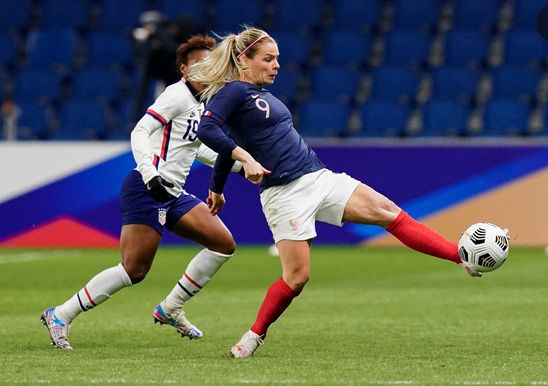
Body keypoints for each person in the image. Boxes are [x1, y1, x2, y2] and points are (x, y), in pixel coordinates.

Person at [188, 26, 482, 359]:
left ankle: (462, 257)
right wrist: (243, 160)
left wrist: (217, 188)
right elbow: (208, 130)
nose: (276, 65)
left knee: (389, 212)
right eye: (269, 59)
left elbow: (228, 145)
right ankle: (254, 336)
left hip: (318, 177)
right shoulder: (233, 92)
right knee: (297, 277)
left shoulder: (260, 94)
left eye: (278, 59)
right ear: (244, 59)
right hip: (284, 194)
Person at [41, 35, 241, 350]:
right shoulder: (176, 95)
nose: (206, 67)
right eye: (198, 62)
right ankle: (60, 314)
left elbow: (199, 148)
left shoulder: (202, 105)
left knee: (223, 244)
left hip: (174, 193)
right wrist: (150, 175)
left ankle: (170, 308)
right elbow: (140, 131)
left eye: (210, 61)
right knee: (134, 269)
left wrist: (243, 165)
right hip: (147, 187)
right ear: (184, 69)